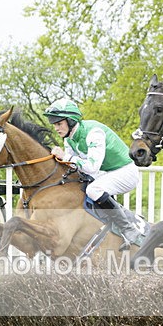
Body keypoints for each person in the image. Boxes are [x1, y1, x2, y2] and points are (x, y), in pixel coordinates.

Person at [44, 99, 142, 249]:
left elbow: (91, 168)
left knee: (93, 190)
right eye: (54, 125)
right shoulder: (69, 139)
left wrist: (65, 157)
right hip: (107, 172)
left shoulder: (93, 132)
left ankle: (129, 230)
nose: (56, 128)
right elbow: (72, 166)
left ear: (70, 121)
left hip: (126, 171)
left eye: (59, 124)